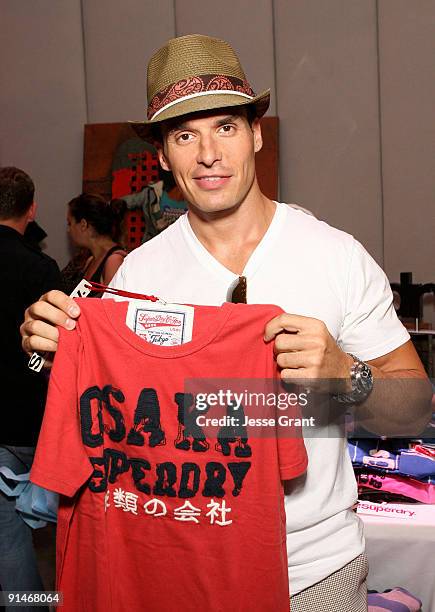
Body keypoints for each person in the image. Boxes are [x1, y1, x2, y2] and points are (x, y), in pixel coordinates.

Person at [21, 35, 432, 611]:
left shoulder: (335, 256)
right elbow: (115, 409)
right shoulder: (139, 272)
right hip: (178, 557)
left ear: (257, 134)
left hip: (312, 570)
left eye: (225, 127)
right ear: (163, 155)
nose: (208, 154)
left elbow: (414, 407)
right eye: (185, 135)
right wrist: (48, 350)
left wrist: (347, 375)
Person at [0, 166, 61, 604]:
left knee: (8, 540)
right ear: (32, 208)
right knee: (59, 529)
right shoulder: (40, 267)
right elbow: (55, 349)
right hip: (34, 418)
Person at [62, 193, 127, 294]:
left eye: (70, 223)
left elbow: (112, 305)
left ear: (83, 224)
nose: (69, 230)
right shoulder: (90, 260)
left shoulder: (113, 261)